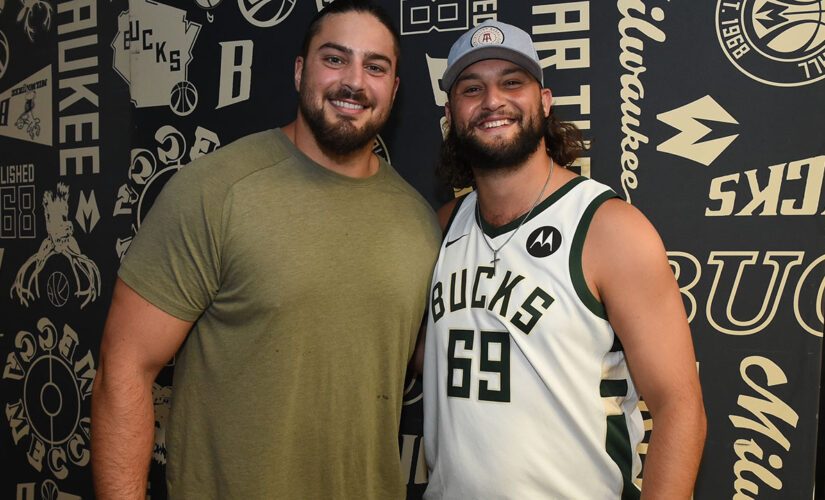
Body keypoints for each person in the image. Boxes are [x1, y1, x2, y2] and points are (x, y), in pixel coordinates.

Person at [91, 1, 441, 498]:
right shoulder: (217, 190)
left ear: (395, 90)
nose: (354, 82)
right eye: (335, 59)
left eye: (375, 67)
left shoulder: (418, 222)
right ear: (300, 71)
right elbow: (124, 367)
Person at [422, 20, 706, 499]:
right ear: (451, 116)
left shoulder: (609, 227)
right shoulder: (441, 227)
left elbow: (680, 410)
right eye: (473, 88)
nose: (493, 100)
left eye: (512, 82)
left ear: (545, 102)